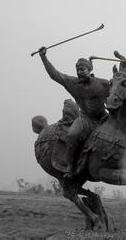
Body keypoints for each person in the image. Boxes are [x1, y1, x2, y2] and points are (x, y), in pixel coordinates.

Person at [38, 47, 110, 178]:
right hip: (85, 119)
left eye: (82, 69)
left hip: (103, 117)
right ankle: (70, 167)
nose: (79, 72)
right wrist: (44, 58)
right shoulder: (73, 83)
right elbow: (55, 74)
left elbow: (117, 92)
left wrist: (123, 64)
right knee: (72, 135)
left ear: (90, 70)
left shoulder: (103, 84)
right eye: (77, 70)